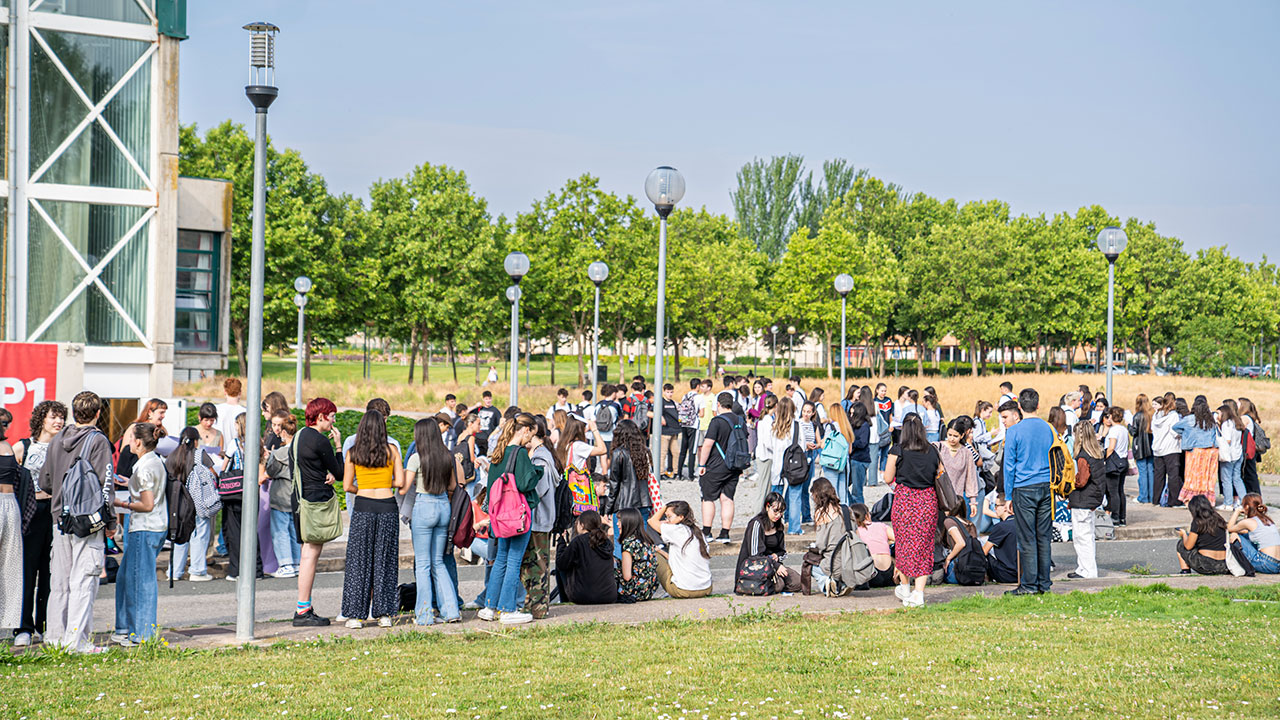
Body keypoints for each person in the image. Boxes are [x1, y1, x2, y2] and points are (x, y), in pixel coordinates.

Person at [36, 391, 116, 653]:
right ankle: (77, 641)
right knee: (84, 580)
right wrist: (111, 520)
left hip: (60, 518)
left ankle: (56, 637)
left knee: (59, 581)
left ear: (73, 411)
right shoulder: (98, 441)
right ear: (97, 413)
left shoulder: (58, 439)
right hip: (87, 521)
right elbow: (105, 485)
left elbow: (45, 481)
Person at [340, 410, 405, 629]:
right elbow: (401, 482)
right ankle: (384, 613)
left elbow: (347, 486)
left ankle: (355, 615)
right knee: (384, 560)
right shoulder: (392, 450)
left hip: (363, 506)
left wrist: (364, 487)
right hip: (387, 506)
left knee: (359, 560)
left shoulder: (353, 452)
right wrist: (385, 482)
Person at [12, 400, 66, 647]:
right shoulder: (23, 447)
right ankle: (22, 627)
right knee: (26, 570)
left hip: (54, 512)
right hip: (29, 512)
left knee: (50, 572)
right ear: (42, 419)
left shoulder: (63, 448)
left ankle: (44, 624)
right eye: (54, 417)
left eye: (62, 417)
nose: (59, 422)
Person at [479, 413, 542, 625]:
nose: (530, 440)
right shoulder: (520, 453)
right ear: (525, 430)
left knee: (501, 560)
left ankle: (490, 606)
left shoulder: (499, 452)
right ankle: (507, 609)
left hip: (500, 515)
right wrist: (537, 471)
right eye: (530, 435)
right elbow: (525, 484)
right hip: (517, 515)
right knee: (514, 561)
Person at [109, 423, 166, 646]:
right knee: (128, 577)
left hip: (145, 526)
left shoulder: (144, 467)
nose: (128, 443)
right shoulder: (153, 461)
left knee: (141, 582)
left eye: (130, 439)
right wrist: (128, 483)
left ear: (139, 442)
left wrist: (122, 503)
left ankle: (142, 634)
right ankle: (126, 627)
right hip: (151, 526)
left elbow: (147, 504)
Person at [403, 418, 461, 626]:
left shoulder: (416, 458)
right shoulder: (447, 456)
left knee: (423, 564)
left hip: (424, 506)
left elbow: (403, 487)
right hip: (443, 505)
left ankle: (425, 614)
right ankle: (451, 610)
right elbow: (453, 485)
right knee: (438, 562)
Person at [291, 397, 344, 627]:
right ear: (320, 417)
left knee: (306, 554)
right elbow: (340, 472)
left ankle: (304, 606)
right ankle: (303, 609)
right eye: (331, 416)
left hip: (300, 500)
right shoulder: (320, 440)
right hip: (315, 502)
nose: (333, 421)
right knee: (311, 555)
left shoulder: (299, 436)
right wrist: (339, 445)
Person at [883, 413, 944, 608]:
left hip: (905, 501)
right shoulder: (933, 451)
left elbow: (887, 477)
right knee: (924, 546)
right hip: (927, 501)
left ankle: (905, 587)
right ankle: (919, 593)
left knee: (903, 544)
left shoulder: (897, 450)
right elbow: (940, 473)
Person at [1002, 388, 1055, 596]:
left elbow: (1009, 466)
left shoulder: (1014, 431)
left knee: (1026, 538)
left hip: (1024, 487)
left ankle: (1029, 585)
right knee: (1044, 536)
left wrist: (1008, 496)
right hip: (1046, 485)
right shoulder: (1049, 428)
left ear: (1020, 407)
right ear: (1038, 405)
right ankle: (1044, 584)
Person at [520, 416, 560, 620]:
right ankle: (536, 606)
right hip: (541, 519)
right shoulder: (543, 454)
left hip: (539, 519)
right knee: (538, 564)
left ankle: (537, 608)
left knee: (537, 565)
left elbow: (539, 489)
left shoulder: (540, 458)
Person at [166, 428, 216, 582]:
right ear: (195, 441)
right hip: (197, 500)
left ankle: (174, 572)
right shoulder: (199, 454)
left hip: (177, 503)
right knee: (199, 533)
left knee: (180, 534)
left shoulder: (172, 456)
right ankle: (197, 571)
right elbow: (213, 474)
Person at [219, 415, 263, 582]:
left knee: (234, 532)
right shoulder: (258, 443)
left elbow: (225, 467)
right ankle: (256, 570)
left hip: (234, 491)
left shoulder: (234, 444)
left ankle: (236, 570)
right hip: (252, 490)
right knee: (252, 531)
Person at [697, 393, 744, 545]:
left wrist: (702, 465)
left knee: (708, 498)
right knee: (727, 498)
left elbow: (708, 444)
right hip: (735, 465)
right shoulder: (740, 420)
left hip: (716, 465)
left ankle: (707, 531)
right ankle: (725, 533)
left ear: (718, 404)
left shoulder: (716, 421)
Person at [602, 419, 653, 558]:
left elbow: (614, 484)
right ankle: (641, 574)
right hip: (643, 503)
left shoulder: (619, 453)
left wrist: (608, 508)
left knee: (621, 542)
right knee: (641, 541)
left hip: (624, 505)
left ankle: (622, 575)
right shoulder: (645, 452)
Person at [260, 412, 301, 579]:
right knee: (293, 530)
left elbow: (271, 471)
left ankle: (285, 564)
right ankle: (297, 562)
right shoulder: (300, 450)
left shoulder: (280, 453)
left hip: (280, 495)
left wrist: (268, 457)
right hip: (295, 495)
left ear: (284, 432)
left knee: (280, 531)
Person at [735, 492, 801, 594]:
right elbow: (754, 555)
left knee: (797, 582)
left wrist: (777, 557)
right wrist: (775, 564)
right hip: (753, 568)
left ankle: (774, 582)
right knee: (778, 586)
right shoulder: (756, 524)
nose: (778, 515)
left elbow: (783, 552)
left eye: (781, 512)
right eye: (775, 511)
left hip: (772, 565)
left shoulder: (779, 526)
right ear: (767, 507)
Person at [646, 501, 713, 598]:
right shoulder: (698, 532)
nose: (667, 520)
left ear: (681, 517)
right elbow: (678, 559)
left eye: (669, 516)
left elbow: (651, 521)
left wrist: (665, 506)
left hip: (683, 590)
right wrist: (661, 551)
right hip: (706, 588)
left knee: (653, 554)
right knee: (660, 553)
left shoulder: (677, 530)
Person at [1068, 421, 1106, 579]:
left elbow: (1082, 481)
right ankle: (1085, 569)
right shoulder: (1096, 453)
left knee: (1081, 537)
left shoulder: (1083, 456)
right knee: (1088, 536)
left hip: (1082, 500)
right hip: (1092, 499)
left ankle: (1087, 570)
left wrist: (1069, 484)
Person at [554, 510, 617, 605]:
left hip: (583, 596)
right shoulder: (607, 542)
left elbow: (561, 564)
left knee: (560, 567)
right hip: (608, 595)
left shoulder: (578, 541)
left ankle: (564, 600)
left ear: (582, 525)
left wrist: (561, 544)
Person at [1172, 397, 1219, 505]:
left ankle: (1191, 498)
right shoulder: (1210, 419)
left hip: (1195, 450)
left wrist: (1186, 434)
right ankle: (1208, 499)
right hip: (1211, 451)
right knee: (1207, 476)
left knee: (1193, 475)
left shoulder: (1190, 419)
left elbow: (1175, 427)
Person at [938, 418, 979, 528]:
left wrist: (973, 501)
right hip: (938, 498)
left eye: (955, 436)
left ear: (962, 436)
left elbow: (971, 478)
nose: (951, 439)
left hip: (956, 501)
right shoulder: (938, 447)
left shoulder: (966, 453)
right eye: (949, 435)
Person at [0, 411, 20, 633]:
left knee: (10, 565)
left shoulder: (9, 446)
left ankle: (6, 622)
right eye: (3, 423)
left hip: (10, 503)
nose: (6, 427)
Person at [1174, 495, 1229, 575]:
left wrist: (1184, 535)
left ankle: (1185, 571)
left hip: (1205, 565)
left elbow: (1188, 546)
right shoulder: (1219, 519)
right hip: (1224, 564)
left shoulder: (1197, 522)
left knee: (1181, 544)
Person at [1227, 494, 1280, 574]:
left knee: (1234, 535)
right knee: (1244, 535)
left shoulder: (1249, 522)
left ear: (1247, 506)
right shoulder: (1267, 520)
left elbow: (1229, 528)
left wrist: (1237, 512)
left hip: (1265, 563)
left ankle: (1235, 563)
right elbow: (1247, 533)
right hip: (1277, 564)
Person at [758, 396, 798, 500]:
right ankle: (787, 516)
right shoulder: (796, 425)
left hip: (777, 464)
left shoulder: (775, 425)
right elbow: (800, 446)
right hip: (791, 464)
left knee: (775, 493)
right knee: (791, 495)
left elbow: (771, 444)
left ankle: (774, 515)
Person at [615, 507, 658, 602]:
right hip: (648, 591)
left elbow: (627, 576)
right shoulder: (647, 541)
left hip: (633, 592)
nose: (617, 524)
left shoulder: (629, 543)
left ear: (627, 523)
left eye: (619, 521)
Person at [850, 503, 895, 588]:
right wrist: (886, 542)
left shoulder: (856, 531)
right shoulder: (881, 525)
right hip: (890, 573)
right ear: (867, 515)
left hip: (872, 574)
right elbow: (897, 539)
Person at [1151, 391, 1183, 506]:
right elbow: (1174, 432)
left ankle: (1156, 499)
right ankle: (1173, 500)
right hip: (1171, 448)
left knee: (1159, 476)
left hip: (1157, 448)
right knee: (1173, 475)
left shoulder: (1156, 415)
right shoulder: (1173, 415)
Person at [1101, 407, 1130, 527]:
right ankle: (1122, 517)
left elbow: (1111, 447)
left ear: (1112, 417)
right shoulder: (1123, 429)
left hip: (1113, 463)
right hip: (1123, 461)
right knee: (1120, 491)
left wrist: (1105, 458)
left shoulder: (1113, 430)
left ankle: (1115, 516)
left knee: (1113, 492)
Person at [1216, 403, 1246, 510]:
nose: (1217, 415)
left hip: (1229, 456)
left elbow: (1227, 440)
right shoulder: (1236, 422)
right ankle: (1244, 501)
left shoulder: (1226, 424)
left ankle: (1228, 503)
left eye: (1218, 413)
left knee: (1226, 480)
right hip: (1238, 454)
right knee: (1237, 479)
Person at [981, 500, 1019, 584]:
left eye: (996, 505)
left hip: (1006, 575)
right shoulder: (1022, 523)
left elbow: (984, 551)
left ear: (1005, 507)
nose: (994, 508)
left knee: (980, 548)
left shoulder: (1001, 527)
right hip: (1024, 575)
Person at [1130, 394, 1155, 504]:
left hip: (1140, 447)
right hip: (1151, 446)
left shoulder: (1137, 416)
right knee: (1151, 471)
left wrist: (1128, 426)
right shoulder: (1152, 414)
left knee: (1143, 472)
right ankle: (1152, 496)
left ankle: (1143, 496)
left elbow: (1133, 432)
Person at [1237, 398, 1264, 496]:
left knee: (1249, 475)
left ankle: (1255, 497)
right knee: (1250, 474)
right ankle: (1254, 497)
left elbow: (1238, 427)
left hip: (1247, 450)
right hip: (1251, 450)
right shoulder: (1250, 418)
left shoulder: (1245, 418)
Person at [213, 377, 246, 457]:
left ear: (225, 392)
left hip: (219, 454)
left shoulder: (216, 410)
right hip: (239, 454)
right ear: (240, 392)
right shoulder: (245, 412)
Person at [678, 379, 702, 480]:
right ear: (697, 386)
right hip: (693, 425)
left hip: (684, 424)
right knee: (692, 450)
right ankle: (691, 475)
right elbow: (702, 413)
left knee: (683, 450)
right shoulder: (699, 397)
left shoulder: (685, 396)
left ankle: (679, 473)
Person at [658, 384, 681, 478]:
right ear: (664, 392)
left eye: (671, 392)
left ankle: (675, 472)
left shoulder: (673, 403)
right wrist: (661, 418)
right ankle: (660, 473)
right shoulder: (661, 402)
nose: (670, 394)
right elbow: (653, 412)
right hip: (665, 432)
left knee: (676, 452)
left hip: (674, 431)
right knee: (663, 453)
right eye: (668, 392)